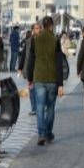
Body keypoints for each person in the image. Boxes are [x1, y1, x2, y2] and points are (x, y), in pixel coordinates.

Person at [26, 16, 65, 146]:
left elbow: (31, 61)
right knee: (51, 107)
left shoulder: (35, 40)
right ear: (51, 26)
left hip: (39, 78)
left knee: (40, 107)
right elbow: (60, 63)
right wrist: (60, 84)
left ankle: (42, 134)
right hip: (52, 79)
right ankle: (48, 133)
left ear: (43, 26)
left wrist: (30, 78)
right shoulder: (55, 40)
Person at [18, 23, 41, 116]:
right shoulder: (28, 42)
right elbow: (23, 55)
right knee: (32, 89)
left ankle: (40, 107)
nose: (38, 30)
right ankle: (34, 108)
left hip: (40, 70)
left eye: (39, 28)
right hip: (30, 69)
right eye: (36, 28)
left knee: (39, 89)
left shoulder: (43, 41)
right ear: (33, 30)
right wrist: (20, 68)